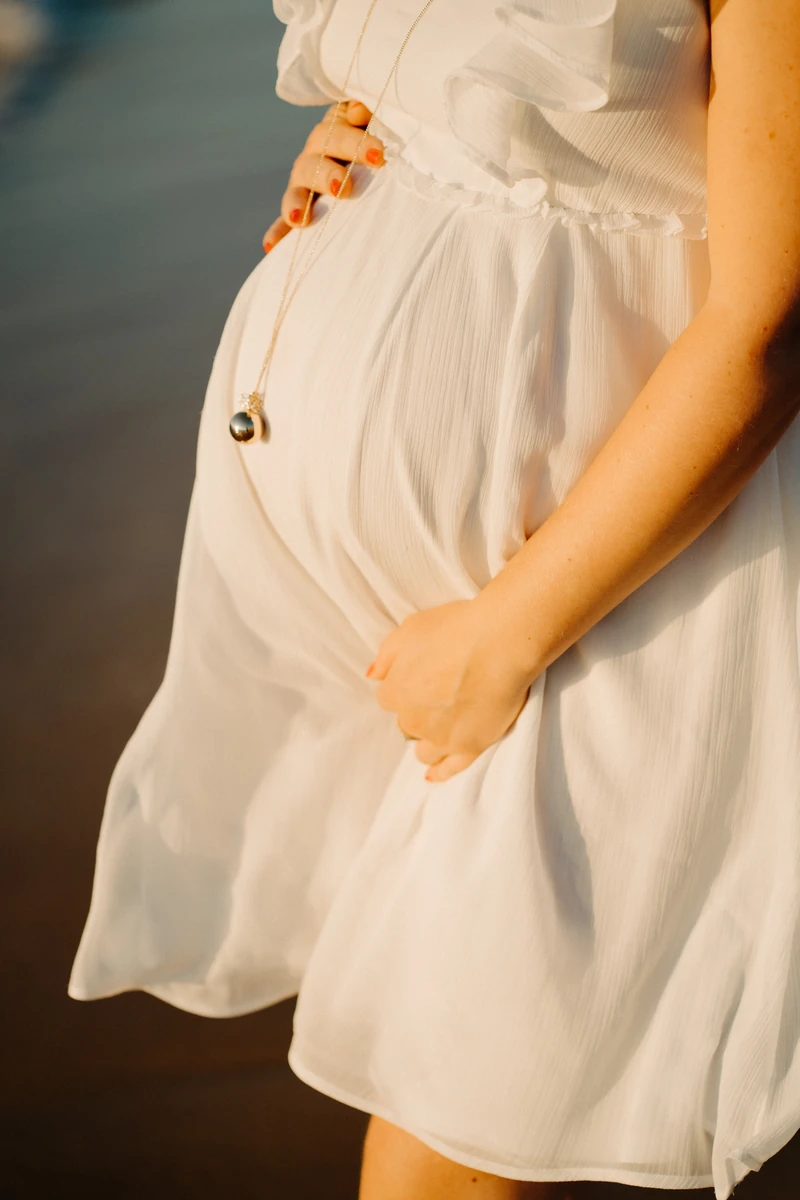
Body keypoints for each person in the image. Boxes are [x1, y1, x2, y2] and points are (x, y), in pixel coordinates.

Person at [69, 2, 800, 1197]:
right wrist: (388, 130)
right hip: (411, 616)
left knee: (450, 1122)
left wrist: (507, 636)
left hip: (592, 584)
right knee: (426, 1057)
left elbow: (769, 319)